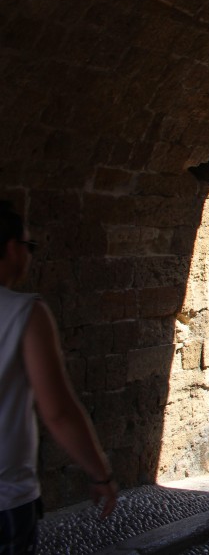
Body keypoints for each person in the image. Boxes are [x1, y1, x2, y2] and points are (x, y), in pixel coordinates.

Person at [0, 201, 118, 553]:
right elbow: (57, 410)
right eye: (28, 246)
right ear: (10, 248)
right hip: (7, 498)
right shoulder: (24, 312)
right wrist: (100, 473)